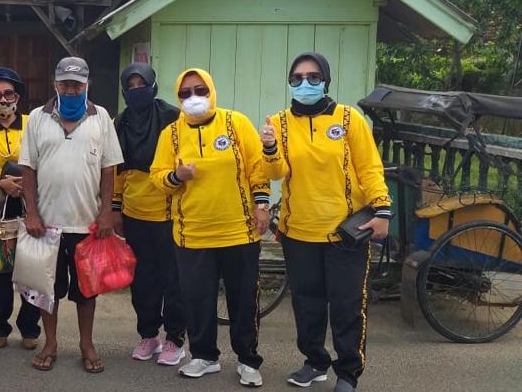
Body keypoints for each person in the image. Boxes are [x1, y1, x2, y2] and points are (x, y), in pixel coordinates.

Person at [259, 53, 391, 392]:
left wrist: (382, 210)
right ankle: (315, 362)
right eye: (297, 78)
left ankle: (348, 373)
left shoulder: (349, 119)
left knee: (348, 305)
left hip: (345, 233)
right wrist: (270, 147)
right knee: (307, 304)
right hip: (299, 232)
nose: (305, 83)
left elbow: (369, 168)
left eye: (313, 77)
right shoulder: (279, 123)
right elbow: (276, 172)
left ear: (326, 81)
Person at [150, 68, 270, 387]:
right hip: (192, 234)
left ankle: (248, 360)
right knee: (197, 300)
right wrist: (177, 177)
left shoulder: (235, 123)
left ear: (212, 91)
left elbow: (257, 168)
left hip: (239, 231)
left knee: (243, 300)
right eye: (185, 93)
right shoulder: (171, 134)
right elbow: (157, 177)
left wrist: (261, 205)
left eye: (200, 90)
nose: (193, 97)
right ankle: (204, 356)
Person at [19, 56, 124, 374]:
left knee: (86, 290)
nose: (70, 89)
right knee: (47, 289)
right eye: (65, 83)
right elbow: (28, 169)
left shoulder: (101, 117)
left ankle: (86, 344)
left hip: (86, 223)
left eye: (77, 85)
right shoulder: (37, 118)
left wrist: (106, 213)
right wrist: (32, 213)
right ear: (55, 84)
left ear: (87, 85)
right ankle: (50, 344)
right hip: (46, 224)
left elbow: (108, 169)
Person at [111, 63, 186, 365]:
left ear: (153, 86)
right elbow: (117, 169)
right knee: (142, 280)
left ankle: (175, 339)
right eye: (130, 86)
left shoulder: (172, 118)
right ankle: (149, 335)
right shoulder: (121, 122)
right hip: (134, 214)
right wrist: (115, 208)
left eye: (142, 84)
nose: (136, 90)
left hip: (170, 214)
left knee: (174, 280)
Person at [0, 68, 42, 350]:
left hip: (31, 205)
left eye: (8, 94)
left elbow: (44, 157)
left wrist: (26, 183)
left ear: (18, 96)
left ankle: (29, 327)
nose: (3, 100)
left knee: (33, 268)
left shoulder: (33, 124)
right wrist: (0, 182)